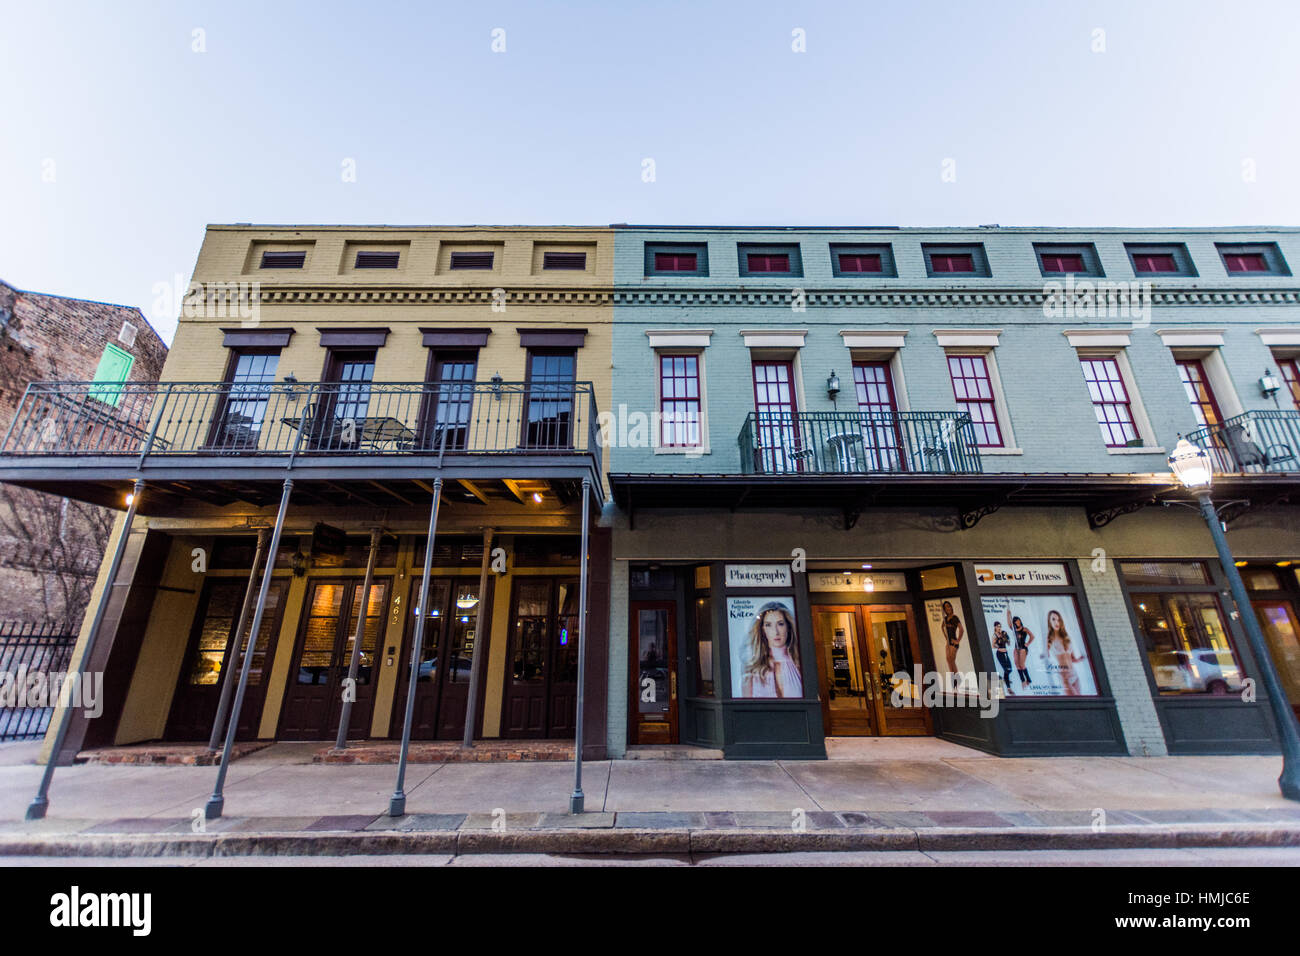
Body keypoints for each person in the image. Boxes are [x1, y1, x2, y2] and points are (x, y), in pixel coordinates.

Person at [741, 602, 803, 698]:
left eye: (780, 624)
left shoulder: (799, 662)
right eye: (768, 625)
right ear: (763, 630)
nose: (776, 631)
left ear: (788, 627)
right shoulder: (752, 668)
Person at [1044, 609, 1086, 695]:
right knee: (1075, 702)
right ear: (1049, 621)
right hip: (1064, 677)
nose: (1057, 622)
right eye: (1053, 619)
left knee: (1080, 703)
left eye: (1058, 620)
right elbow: (1044, 657)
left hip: (1075, 675)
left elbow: (1073, 659)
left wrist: (1083, 658)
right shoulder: (1049, 639)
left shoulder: (1066, 638)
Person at [941, 601, 964, 687]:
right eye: (946, 607)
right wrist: (946, 639)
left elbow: (961, 629)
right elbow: (942, 628)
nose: (948, 608)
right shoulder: (945, 619)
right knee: (948, 661)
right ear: (944, 610)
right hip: (948, 643)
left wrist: (958, 640)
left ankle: (957, 680)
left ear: (951, 607)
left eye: (949, 606)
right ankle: (955, 680)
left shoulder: (955, 618)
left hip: (953, 643)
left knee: (952, 661)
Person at [1012, 615, 1035, 690]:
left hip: (1022, 648)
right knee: (1017, 664)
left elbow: (1032, 636)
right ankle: (1023, 681)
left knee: (1022, 664)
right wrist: (1008, 613)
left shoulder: (1025, 629)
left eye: (1018, 620)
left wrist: (1028, 643)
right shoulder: (1014, 629)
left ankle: (1028, 679)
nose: (1017, 622)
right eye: (1016, 621)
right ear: (1014, 623)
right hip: (1016, 648)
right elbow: (1009, 622)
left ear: (1020, 620)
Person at [992, 621, 1014, 694]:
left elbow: (1009, 643)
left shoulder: (1003, 633)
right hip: (1000, 654)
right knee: (1007, 669)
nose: (999, 628)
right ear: (995, 627)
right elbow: (993, 645)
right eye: (998, 626)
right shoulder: (995, 635)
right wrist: (998, 642)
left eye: (1000, 626)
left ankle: (1005, 679)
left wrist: (1006, 638)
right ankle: (1008, 688)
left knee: (1010, 669)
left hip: (1005, 653)